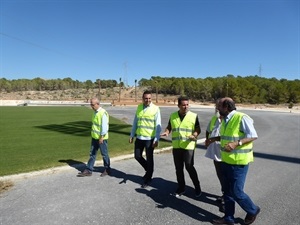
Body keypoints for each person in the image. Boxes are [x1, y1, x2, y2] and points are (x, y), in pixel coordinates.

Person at [208, 97, 260, 225]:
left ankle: (253, 210)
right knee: (227, 191)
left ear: (226, 107)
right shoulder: (225, 120)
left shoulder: (242, 117)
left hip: (239, 163)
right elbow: (226, 137)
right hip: (225, 160)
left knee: (237, 192)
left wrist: (237, 143)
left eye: (219, 106)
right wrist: (213, 139)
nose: (217, 109)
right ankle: (228, 218)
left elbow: (253, 135)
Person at [161, 96, 202, 198]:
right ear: (178, 105)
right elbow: (169, 127)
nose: (185, 107)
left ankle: (197, 186)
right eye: (183, 105)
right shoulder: (173, 116)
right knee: (178, 168)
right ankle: (181, 188)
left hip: (189, 145)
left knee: (189, 166)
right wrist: (166, 132)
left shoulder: (193, 116)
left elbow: (198, 128)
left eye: (187, 104)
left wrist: (195, 135)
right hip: (177, 146)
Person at [129, 90, 162, 188]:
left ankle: (148, 178)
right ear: (142, 99)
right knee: (137, 156)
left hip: (149, 138)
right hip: (139, 137)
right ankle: (149, 170)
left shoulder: (156, 109)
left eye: (149, 98)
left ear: (151, 99)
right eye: (146, 98)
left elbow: (158, 126)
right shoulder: (139, 107)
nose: (148, 100)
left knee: (149, 158)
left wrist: (156, 139)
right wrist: (132, 135)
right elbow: (135, 122)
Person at [78, 97, 111, 177]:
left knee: (104, 154)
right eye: (91, 105)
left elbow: (104, 127)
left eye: (93, 105)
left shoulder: (103, 113)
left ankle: (107, 169)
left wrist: (101, 137)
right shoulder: (95, 112)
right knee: (92, 154)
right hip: (94, 137)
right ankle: (89, 170)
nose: (91, 106)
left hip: (101, 138)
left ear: (97, 104)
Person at [205, 99, 225, 212]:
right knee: (221, 176)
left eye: (220, 106)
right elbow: (208, 130)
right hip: (216, 154)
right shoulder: (214, 119)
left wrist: (212, 139)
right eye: (216, 106)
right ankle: (224, 194)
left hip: (226, 155)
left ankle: (227, 201)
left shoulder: (229, 120)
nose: (217, 109)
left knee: (226, 178)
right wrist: (208, 140)